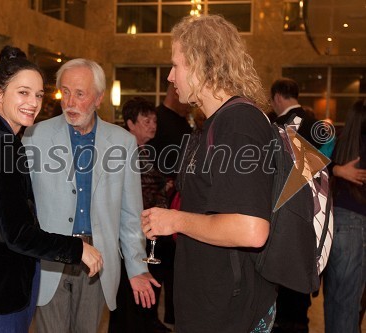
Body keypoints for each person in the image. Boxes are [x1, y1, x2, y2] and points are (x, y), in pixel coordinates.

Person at [0, 46, 103, 333]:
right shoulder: (0, 144)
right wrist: (77, 249)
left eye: (38, 95)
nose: (34, 103)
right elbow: (16, 233)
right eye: (23, 92)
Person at [140, 15, 277, 332]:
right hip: (212, 304)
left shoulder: (239, 123)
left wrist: (174, 220)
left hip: (231, 311)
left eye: (177, 65)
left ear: (203, 64)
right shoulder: (216, 123)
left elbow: (251, 229)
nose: (171, 77)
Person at [22, 58, 159, 332]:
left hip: (99, 262)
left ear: (99, 98)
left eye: (80, 94)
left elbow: (130, 215)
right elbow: (17, 198)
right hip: (51, 259)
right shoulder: (34, 136)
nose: (70, 102)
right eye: (66, 92)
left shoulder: (123, 143)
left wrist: (136, 267)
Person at [108, 97, 170, 333]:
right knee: (127, 292)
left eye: (154, 120)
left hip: (149, 231)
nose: (152, 125)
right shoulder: (121, 152)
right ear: (130, 124)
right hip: (128, 233)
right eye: (146, 120)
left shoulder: (147, 151)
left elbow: (155, 187)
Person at [270, 77, 322, 333]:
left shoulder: (275, 125)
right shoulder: (316, 123)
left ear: (278, 96)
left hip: (279, 213)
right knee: (301, 274)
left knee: (279, 276)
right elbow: (323, 168)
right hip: (310, 213)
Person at [148, 82, 193, 326]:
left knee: (175, 271)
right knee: (156, 270)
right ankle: (152, 320)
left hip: (179, 207)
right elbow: (148, 162)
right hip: (160, 206)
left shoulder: (184, 122)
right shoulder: (158, 120)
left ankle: (171, 320)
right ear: (174, 92)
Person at [324, 99, 366, 333]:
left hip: (335, 223)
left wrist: (336, 169)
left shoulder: (340, 142)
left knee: (335, 299)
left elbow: (312, 165)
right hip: (356, 225)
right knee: (349, 303)